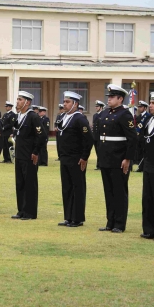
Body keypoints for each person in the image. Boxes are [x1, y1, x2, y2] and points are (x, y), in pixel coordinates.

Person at [97, 84, 137, 233]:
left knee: (119, 192)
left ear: (120, 99)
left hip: (119, 160)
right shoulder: (106, 113)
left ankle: (119, 224)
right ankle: (110, 222)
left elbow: (132, 139)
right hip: (106, 159)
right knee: (108, 191)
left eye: (112, 97)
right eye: (109, 97)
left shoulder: (124, 114)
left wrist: (127, 159)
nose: (109, 99)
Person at [57, 92, 94, 227]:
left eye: (67, 102)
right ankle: (68, 217)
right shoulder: (63, 117)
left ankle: (77, 218)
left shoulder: (80, 119)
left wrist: (84, 157)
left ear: (75, 104)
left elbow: (88, 139)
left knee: (77, 188)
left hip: (76, 158)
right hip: (65, 158)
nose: (64, 104)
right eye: (64, 101)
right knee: (66, 188)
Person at [11, 91, 46, 220]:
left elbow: (42, 136)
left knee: (30, 184)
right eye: (17, 99)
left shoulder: (33, 117)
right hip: (20, 155)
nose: (17, 102)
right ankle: (21, 210)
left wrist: (36, 152)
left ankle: (30, 212)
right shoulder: (19, 116)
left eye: (20, 99)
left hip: (29, 156)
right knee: (20, 184)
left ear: (27, 102)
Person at [140, 92, 154, 239]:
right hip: (149, 164)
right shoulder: (149, 120)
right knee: (148, 198)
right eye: (150, 102)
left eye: (153, 103)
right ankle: (149, 230)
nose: (150, 105)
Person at [134, 100, 150, 172]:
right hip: (138, 138)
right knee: (139, 152)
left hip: (145, 138)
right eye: (139, 107)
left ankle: (144, 167)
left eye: (141, 107)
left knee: (145, 153)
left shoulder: (148, 116)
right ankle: (140, 167)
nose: (139, 108)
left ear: (145, 108)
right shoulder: (138, 117)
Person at [92, 100, 105, 170]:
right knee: (97, 151)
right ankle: (98, 165)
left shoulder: (104, 114)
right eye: (96, 106)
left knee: (101, 151)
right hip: (95, 136)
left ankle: (101, 165)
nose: (96, 108)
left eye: (97, 106)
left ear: (101, 107)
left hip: (101, 136)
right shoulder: (95, 115)